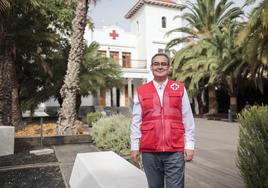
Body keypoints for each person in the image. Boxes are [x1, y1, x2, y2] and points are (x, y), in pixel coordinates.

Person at [130, 53, 195, 188]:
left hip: (175, 151)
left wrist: (189, 145)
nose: (160, 67)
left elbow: (188, 119)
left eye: (164, 64)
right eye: (156, 64)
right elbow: (136, 122)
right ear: (151, 67)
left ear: (169, 67)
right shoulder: (142, 91)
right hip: (150, 152)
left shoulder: (179, 88)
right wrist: (135, 146)